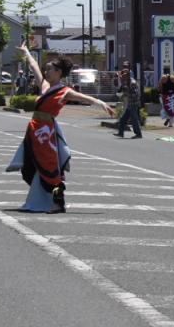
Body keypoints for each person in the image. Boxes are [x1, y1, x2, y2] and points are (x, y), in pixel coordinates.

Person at [13, 43, 115, 213]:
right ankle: (45, 197)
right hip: (34, 131)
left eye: (49, 70)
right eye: (46, 70)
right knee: (29, 166)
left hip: (46, 134)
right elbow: (33, 66)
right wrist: (26, 52)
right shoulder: (45, 87)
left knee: (52, 169)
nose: (46, 72)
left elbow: (85, 98)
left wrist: (101, 103)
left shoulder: (64, 91)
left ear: (59, 72)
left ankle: (58, 202)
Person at [115, 67, 143, 138]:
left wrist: (126, 94)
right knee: (123, 118)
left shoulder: (132, 83)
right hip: (129, 104)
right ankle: (120, 133)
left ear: (128, 75)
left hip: (134, 104)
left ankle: (138, 134)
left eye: (124, 74)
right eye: (122, 74)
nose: (122, 76)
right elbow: (121, 90)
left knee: (134, 119)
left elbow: (136, 94)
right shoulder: (126, 82)